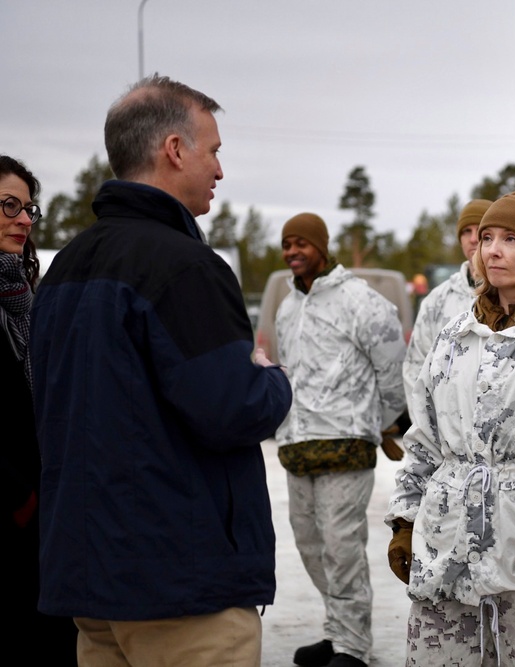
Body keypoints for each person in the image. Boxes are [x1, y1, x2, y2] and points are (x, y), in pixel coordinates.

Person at [29, 75, 292, 667]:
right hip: (182, 589)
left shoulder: (64, 268)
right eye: (214, 149)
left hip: (92, 583)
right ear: (174, 150)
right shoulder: (185, 267)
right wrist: (271, 378)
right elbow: (231, 409)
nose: (220, 170)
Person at [387, 189, 515, 666]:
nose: (492, 250)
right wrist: (404, 521)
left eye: (512, 239)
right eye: (488, 238)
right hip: (447, 544)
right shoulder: (455, 334)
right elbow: (425, 440)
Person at [275, 212, 407, 667]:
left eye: (301, 243)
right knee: (311, 546)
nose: (293, 251)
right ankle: (337, 632)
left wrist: (378, 422)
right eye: (287, 244)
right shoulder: (289, 304)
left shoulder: (360, 301)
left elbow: (394, 371)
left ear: (322, 246)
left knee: (341, 547)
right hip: (298, 445)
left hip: (347, 443)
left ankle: (353, 646)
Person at [2, 155, 78, 663]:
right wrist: (22, 498)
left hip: (42, 519)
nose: (25, 220)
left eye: (30, 208)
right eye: (9, 205)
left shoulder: (26, 301)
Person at [402, 198, 490, 400]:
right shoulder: (437, 301)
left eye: (480, 230)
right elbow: (416, 367)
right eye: (466, 231)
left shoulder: (510, 296)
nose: (473, 239)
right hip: (446, 427)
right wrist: (425, 426)